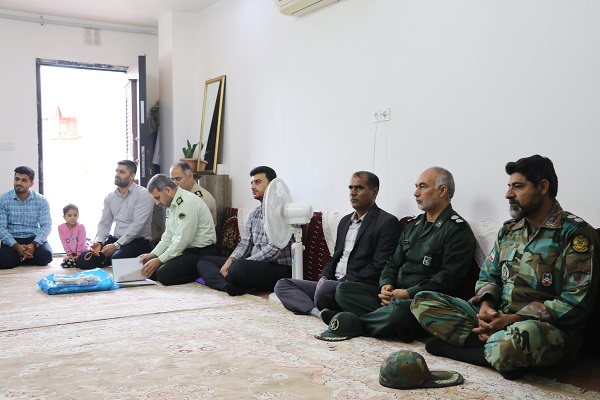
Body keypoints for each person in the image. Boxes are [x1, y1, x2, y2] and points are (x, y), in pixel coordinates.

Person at [410, 155, 599, 379]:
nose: (508, 194)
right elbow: (488, 276)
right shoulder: (509, 231)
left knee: (521, 338)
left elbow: (577, 299)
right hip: (500, 319)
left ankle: (477, 351)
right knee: (422, 301)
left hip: (545, 331)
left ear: (543, 187)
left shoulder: (575, 233)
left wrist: (515, 319)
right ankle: (495, 352)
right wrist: (486, 306)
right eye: (509, 186)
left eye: (517, 187)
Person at [317, 167, 475, 343]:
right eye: (416, 186)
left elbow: (448, 279)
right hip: (395, 296)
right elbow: (393, 262)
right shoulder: (413, 225)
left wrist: (408, 293)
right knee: (344, 290)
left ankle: (355, 323)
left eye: (422, 186)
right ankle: (392, 326)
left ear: (442, 190)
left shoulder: (457, 230)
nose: (416, 193)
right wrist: (386, 285)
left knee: (401, 310)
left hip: (423, 302)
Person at [274, 171, 400, 318]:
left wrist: (341, 281)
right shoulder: (345, 222)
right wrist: (324, 276)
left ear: (374, 192)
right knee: (283, 285)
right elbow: (335, 258)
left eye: (359, 188)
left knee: (325, 290)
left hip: (357, 287)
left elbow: (379, 266)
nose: (352, 193)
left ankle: (321, 305)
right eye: (350, 188)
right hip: (332, 284)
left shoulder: (386, 222)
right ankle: (318, 312)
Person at [197, 166, 292, 296]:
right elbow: (244, 244)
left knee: (237, 268)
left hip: (277, 268)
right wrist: (231, 260)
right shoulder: (255, 213)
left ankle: (231, 280)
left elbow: (275, 249)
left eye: (258, 182)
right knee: (204, 260)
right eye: (251, 183)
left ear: (272, 185)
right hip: (252, 264)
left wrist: (244, 262)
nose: (252, 187)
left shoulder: (284, 212)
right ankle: (226, 286)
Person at [138, 174, 217, 285]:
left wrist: (159, 260)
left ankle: (202, 271)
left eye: (157, 198)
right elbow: (168, 235)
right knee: (151, 271)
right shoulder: (171, 204)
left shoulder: (187, 202)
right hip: (185, 250)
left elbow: (183, 240)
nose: (157, 203)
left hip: (201, 252)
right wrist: (153, 255)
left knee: (163, 275)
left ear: (168, 190)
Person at [77, 160, 154, 269]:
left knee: (117, 259)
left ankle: (116, 259)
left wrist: (116, 246)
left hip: (138, 241)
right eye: (117, 171)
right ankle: (112, 258)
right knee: (83, 260)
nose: (117, 174)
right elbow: (105, 223)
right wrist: (99, 242)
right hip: (116, 240)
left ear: (132, 176)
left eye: (122, 172)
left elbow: (137, 225)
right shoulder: (110, 197)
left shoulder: (143, 194)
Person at [0, 166, 53, 269]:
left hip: (34, 238)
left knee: (46, 256)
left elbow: (46, 225)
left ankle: (21, 257)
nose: (19, 183)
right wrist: (16, 246)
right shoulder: (3, 200)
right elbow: (1, 228)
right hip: (13, 239)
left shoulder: (41, 201)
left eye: (24, 180)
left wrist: (34, 244)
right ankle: (24, 256)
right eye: (17, 179)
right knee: (4, 261)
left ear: (31, 184)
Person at [57, 203, 87, 268]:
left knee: (81, 263)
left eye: (75, 215)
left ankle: (76, 260)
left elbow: (81, 242)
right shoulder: (61, 227)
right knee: (65, 264)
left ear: (78, 216)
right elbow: (64, 242)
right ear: (64, 217)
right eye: (69, 215)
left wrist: (78, 254)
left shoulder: (81, 226)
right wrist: (69, 254)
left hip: (82, 251)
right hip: (71, 253)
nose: (72, 218)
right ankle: (73, 259)